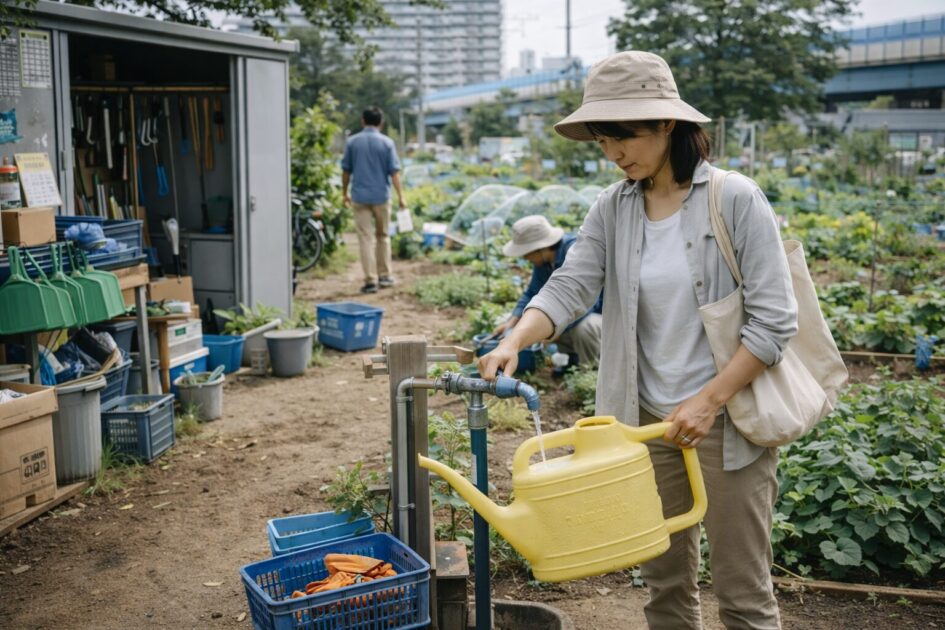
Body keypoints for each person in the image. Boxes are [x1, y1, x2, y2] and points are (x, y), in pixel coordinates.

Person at [478, 51, 796, 630]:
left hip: (726, 421)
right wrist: (515, 340)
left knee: (742, 590)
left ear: (666, 123)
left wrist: (708, 400)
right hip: (647, 423)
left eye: (622, 136)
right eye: (602, 140)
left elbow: (774, 321)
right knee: (664, 586)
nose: (613, 153)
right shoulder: (613, 207)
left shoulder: (735, 200)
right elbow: (570, 286)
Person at [493, 215, 602, 367]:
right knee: (532, 320)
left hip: (600, 316)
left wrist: (552, 330)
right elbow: (532, 293)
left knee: (582, 328)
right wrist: (511, 322)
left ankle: (591, 369)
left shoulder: (575, 252)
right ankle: (570, 359)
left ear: (540, 248)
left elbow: (589, 303)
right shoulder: (543, 262)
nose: (525, 258)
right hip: (572, 314)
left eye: (526, 253)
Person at [341, 106, 407, 294]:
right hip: (381, 197)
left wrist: (344, 193)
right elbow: (394, 173)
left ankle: (370, 280)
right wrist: (402, 196)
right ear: (381, 123)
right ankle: (384, 275)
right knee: (383, 236)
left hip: (360, 197)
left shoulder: (352, 142)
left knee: (365, 238)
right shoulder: (387, 143)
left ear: (363, 121)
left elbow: (346, 171)